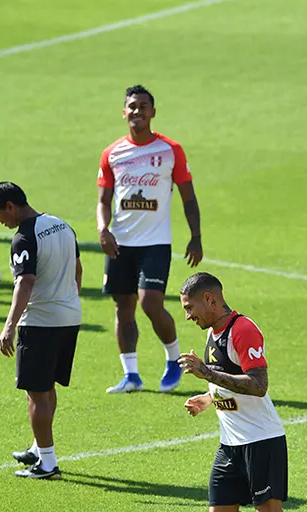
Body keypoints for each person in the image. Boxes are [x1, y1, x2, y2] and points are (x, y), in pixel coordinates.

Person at [177, 272, 307, 512]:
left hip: (261, 440)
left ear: (209, 299)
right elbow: (226, 376)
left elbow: (258, 385)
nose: (188, 316)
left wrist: (205, 374)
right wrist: (206, 398)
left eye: (190, 308)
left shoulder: (243, 330)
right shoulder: (213, 332)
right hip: (230, 443)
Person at [97, 84, 203, 394]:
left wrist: (195, 237)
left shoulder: (170, 150)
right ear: (124, 112)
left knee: (151, 302)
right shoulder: (112, 153)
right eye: (132, 106)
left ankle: (173, 359)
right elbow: (103, 200)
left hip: (155, 243)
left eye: (143, 106)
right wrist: (103, 230)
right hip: (120, 242)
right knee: (123, 308)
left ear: (153, 112)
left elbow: (188, 197)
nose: (137, 111)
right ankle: (131, 375)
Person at [0, 182, 82, 479]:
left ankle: (48, 464)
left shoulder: (23, 238)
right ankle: (38, 449)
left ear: (11, 206)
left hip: (40, 322)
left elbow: (24, 282)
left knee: (37, 394)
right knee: (47, 387)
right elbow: (78, 269)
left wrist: (9, 326)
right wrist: (68, 302)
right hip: (69, 317)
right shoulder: (62, 225)